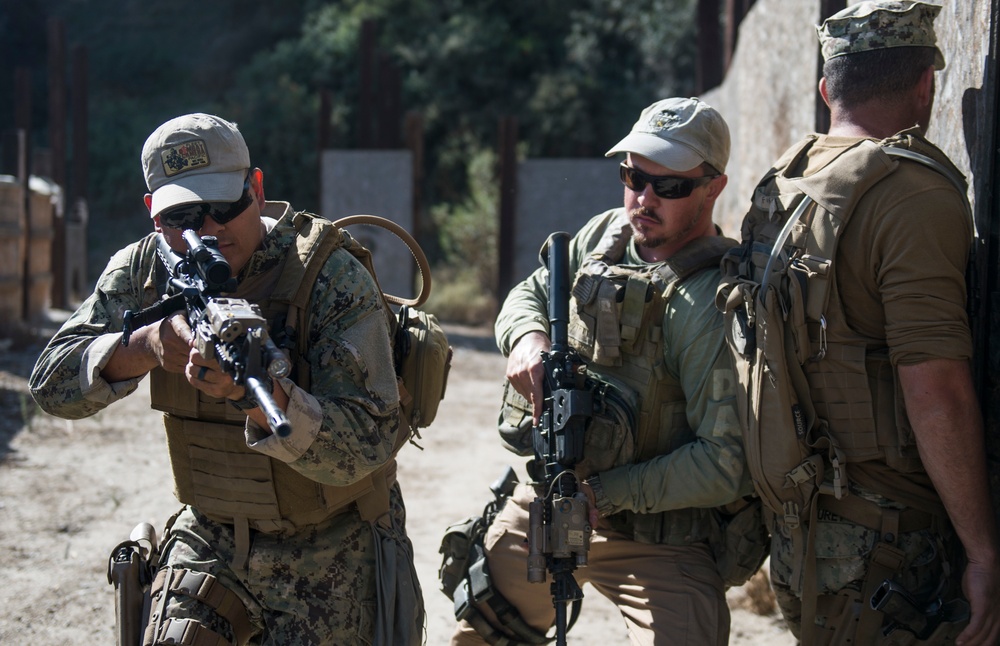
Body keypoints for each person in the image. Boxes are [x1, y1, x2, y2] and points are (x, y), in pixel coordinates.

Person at [29, 113, 423, 645]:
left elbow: (369, 444)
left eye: (224, 206)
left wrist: (262, 398)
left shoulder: (328, 274)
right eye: (183, 215)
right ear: (154, 214)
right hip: (212, 537)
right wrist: (145, 345)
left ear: (256, 190)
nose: (209, 229)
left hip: (334, 544)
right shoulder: (145, 271)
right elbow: (51, 385)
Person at [720, 2, 1000, 644]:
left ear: (827, 89)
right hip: (892, 552)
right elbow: (935, 389)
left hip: (803, 533)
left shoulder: (786, 182)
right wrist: (982, 552)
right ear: (926, 86)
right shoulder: (912, 195)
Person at [450, 97, 753, 646]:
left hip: (656, 538)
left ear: (713, 187)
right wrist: (527, 338)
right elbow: (530, 293)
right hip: (550, 503)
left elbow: (725, 462)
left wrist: (608, 494)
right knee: (481, 625)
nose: (645, 198)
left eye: (670, 186)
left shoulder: (711, 303)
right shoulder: (604, 238)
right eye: (634, 176)